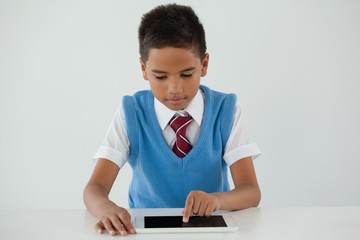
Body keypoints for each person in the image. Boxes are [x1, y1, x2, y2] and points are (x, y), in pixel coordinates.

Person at [83, 3, 261, 236]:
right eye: (160, 76)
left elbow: (251, 191)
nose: (175, 88)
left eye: (187, 74)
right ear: (144, 69)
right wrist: (106, 208)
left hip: (211, 232)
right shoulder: (131, 112)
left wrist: (216, 200)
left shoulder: (226, 110)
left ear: (204, 65)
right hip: (145, 234)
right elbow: (94, 188)